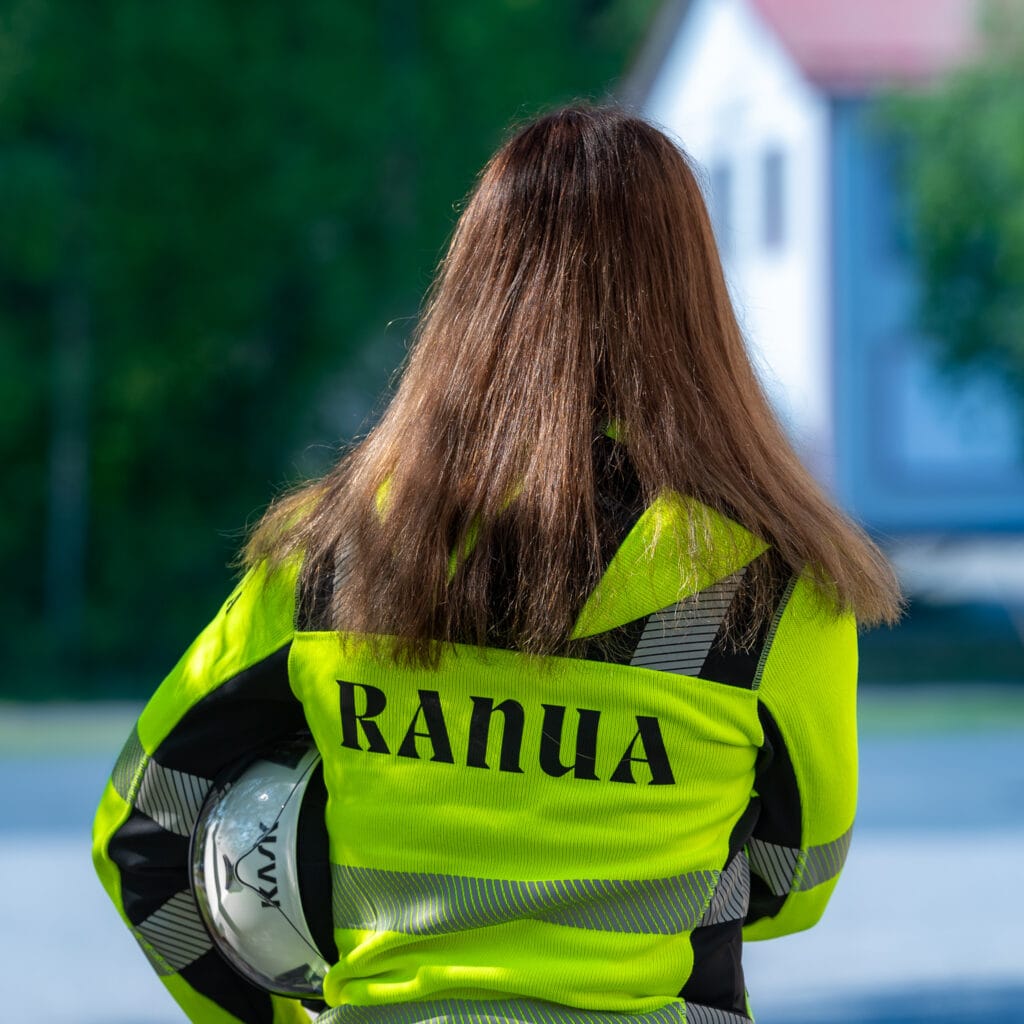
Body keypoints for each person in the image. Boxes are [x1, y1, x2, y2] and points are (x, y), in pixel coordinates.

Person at [92, 104, 902, 1024]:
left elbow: (143, 831)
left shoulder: (337, 556)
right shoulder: (770, 596)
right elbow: (793, 888)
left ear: (473, 285)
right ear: (693, 302)